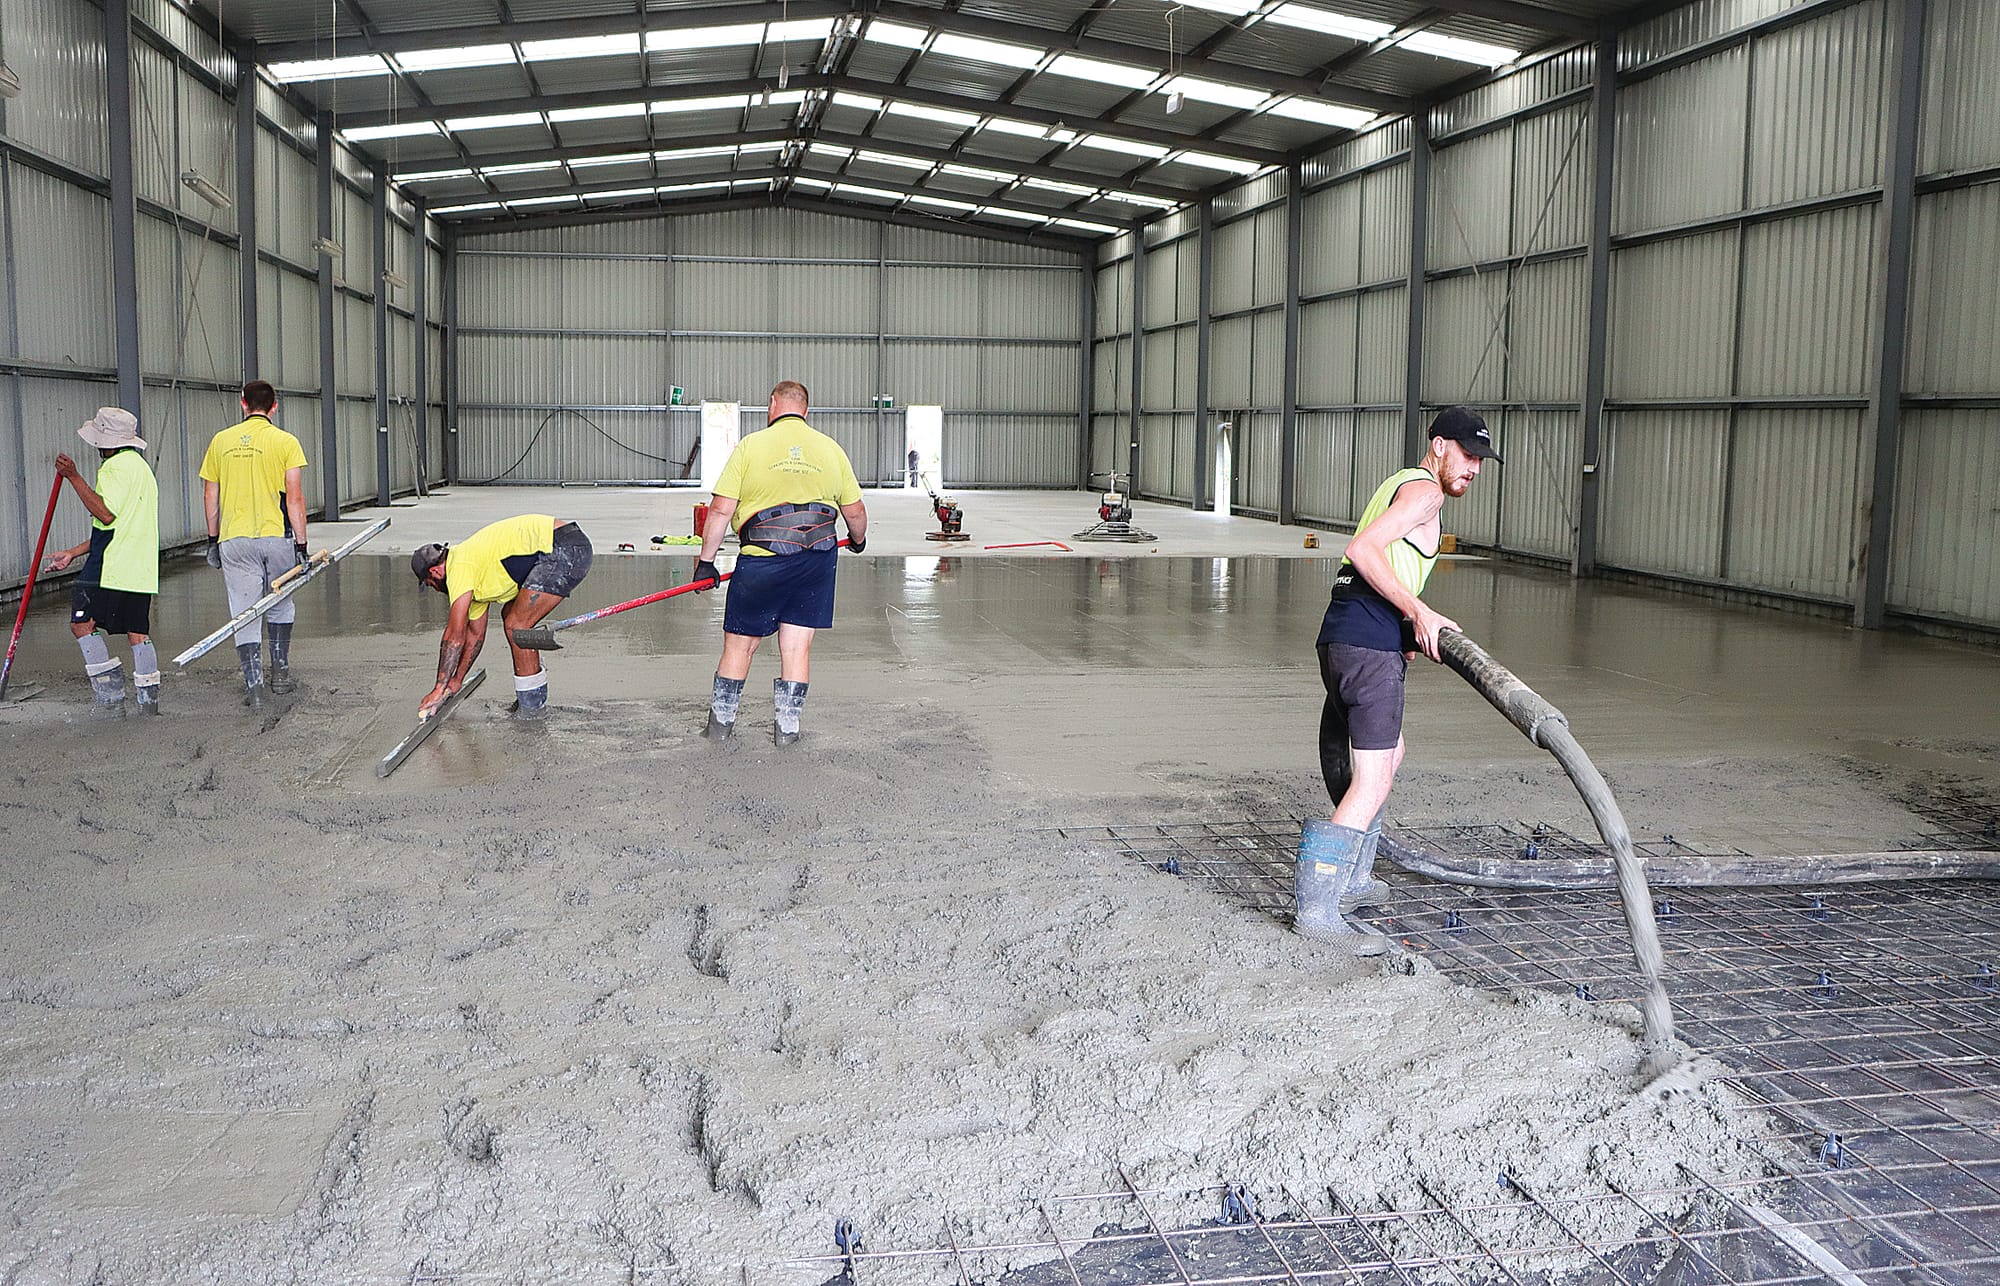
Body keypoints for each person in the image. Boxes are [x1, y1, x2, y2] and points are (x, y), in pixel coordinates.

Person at [1296, 406, 1501, 950]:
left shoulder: (1398, 483)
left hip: (1344, 636)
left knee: (1390, 754)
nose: (1475, 468)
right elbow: (1360, 551)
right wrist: (1419, 612)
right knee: (1374, 778)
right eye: (1467, 454)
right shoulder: (1426, 493)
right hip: (1366, 645)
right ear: (1438, 447)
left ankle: (1356, 878)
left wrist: (1406, 631)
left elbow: (1382, 559)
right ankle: (1317, 912)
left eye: (1481, 459)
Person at [693, 380, 867, 746]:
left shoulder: (751, 447)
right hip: (816, 563)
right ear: (806, 409)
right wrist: (859, 539)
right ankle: (787, 732)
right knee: (796, 647)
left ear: (773, 404)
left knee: (740, 646)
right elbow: (855, 512)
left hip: (762, 561)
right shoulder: (831, 449)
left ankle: (720, 728)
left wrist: (706, 562)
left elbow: (721, 510)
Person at [410, 514, 593, 722]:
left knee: (517, 625)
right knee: (510, 615)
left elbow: (454, 636)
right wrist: (455, 681)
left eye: (430, 584)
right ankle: (531, 695)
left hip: (564, 548)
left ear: (434, 572)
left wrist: (438, 688)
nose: (434, 589)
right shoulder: (472, 576)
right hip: (562, 545)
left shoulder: (459, 568)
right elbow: (474, 635)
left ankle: (531, 708)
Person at [41, 409, 161, 715]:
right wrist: (73, 553)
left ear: (105, 441)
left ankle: (110, 697)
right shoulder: (142, 469)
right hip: (140, 567)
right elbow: (118, 525)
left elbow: (105, 515)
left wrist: (74, 477)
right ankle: (149, 704)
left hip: (110, 567)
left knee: (81, 623)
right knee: (137, 632)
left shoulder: (113, 468)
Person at [199, 380, 308, 706]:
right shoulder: (286, 442)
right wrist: (301, 545)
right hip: (277, 537)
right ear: (275, 407)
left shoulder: (221, 441)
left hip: (235, 539)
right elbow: (295, 497)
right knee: (281, 602)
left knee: (244, 611)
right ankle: (280, 677)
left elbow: (210, 494)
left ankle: (254, 687)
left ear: (242, 403)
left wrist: (213, 540)